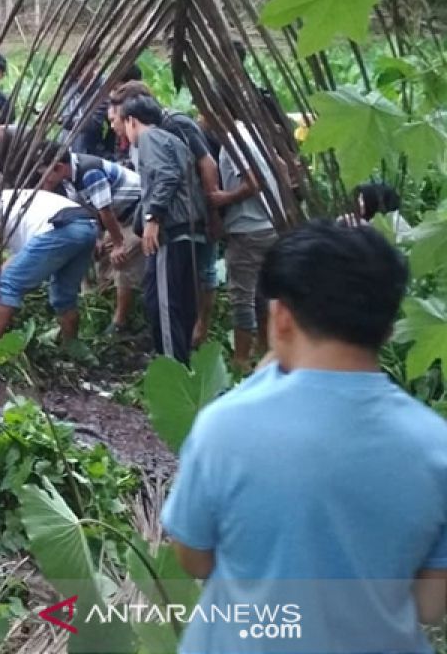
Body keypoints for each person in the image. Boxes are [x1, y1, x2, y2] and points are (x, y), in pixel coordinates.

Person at [162, 221, 447, 654]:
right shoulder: (436, 446)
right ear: (387, 330)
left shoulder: (226, 427)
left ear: (281, 318)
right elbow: (430, 604)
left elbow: (194, 556)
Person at [110, 80, 219, 346]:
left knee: (166, 302)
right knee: (174, 297)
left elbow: (178, 173)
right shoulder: (163, 136)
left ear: (132, 118)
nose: (115, 127)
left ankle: (173, 366)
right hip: (186, 224)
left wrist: (152, 219)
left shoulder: (155, 135)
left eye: (118, 121)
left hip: (177, 226)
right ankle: (179, 358)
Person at [0, 179, 98, 344]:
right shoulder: (10, 199)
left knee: (8, 283)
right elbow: (20, 257)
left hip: (60, 229)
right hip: (86, 227)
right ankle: (72, 347)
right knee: (63, 296)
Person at [38, 141, 143, 334]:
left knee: (121, 260)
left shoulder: (89, 172)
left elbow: (105, 210)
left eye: (46, 173)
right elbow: (86, 208)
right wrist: (97, 238)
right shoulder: (69, 177)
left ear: (59, 167)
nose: (45, 179)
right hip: (118, 217)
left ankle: (120, 321)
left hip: (138, 214)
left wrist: (118, 243)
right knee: (101, 257)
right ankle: (104, 305)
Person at [210, 120, 281, 370]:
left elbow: (254, 181)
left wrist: (224, 197)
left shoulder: (233, 140)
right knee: (263, 295)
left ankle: (241, 361)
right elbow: (281, 166)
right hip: (268, 225)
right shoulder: (253, 131)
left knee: (243, 296)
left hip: (248, 228)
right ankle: (265, 353)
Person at [342, 181, 414, 242]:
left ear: (371, 200)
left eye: (361, 199)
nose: (358, 203)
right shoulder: (389, 219)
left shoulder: (392, 221)